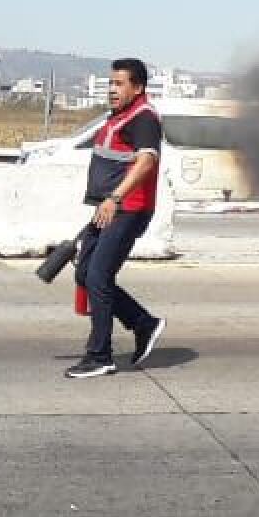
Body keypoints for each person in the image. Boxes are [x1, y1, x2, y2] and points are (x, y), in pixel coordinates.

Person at [65, 57, 169, 379]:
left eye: (119, 83)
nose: (112, 89)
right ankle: (143, 323)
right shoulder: (119, 116)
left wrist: (114, 197)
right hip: (109, 208)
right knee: (85, 272)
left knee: (97, 276)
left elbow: (146, 162)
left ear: (137, 87)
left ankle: (100, 356)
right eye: (110, 83)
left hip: (129, 209)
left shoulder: (143, 118)